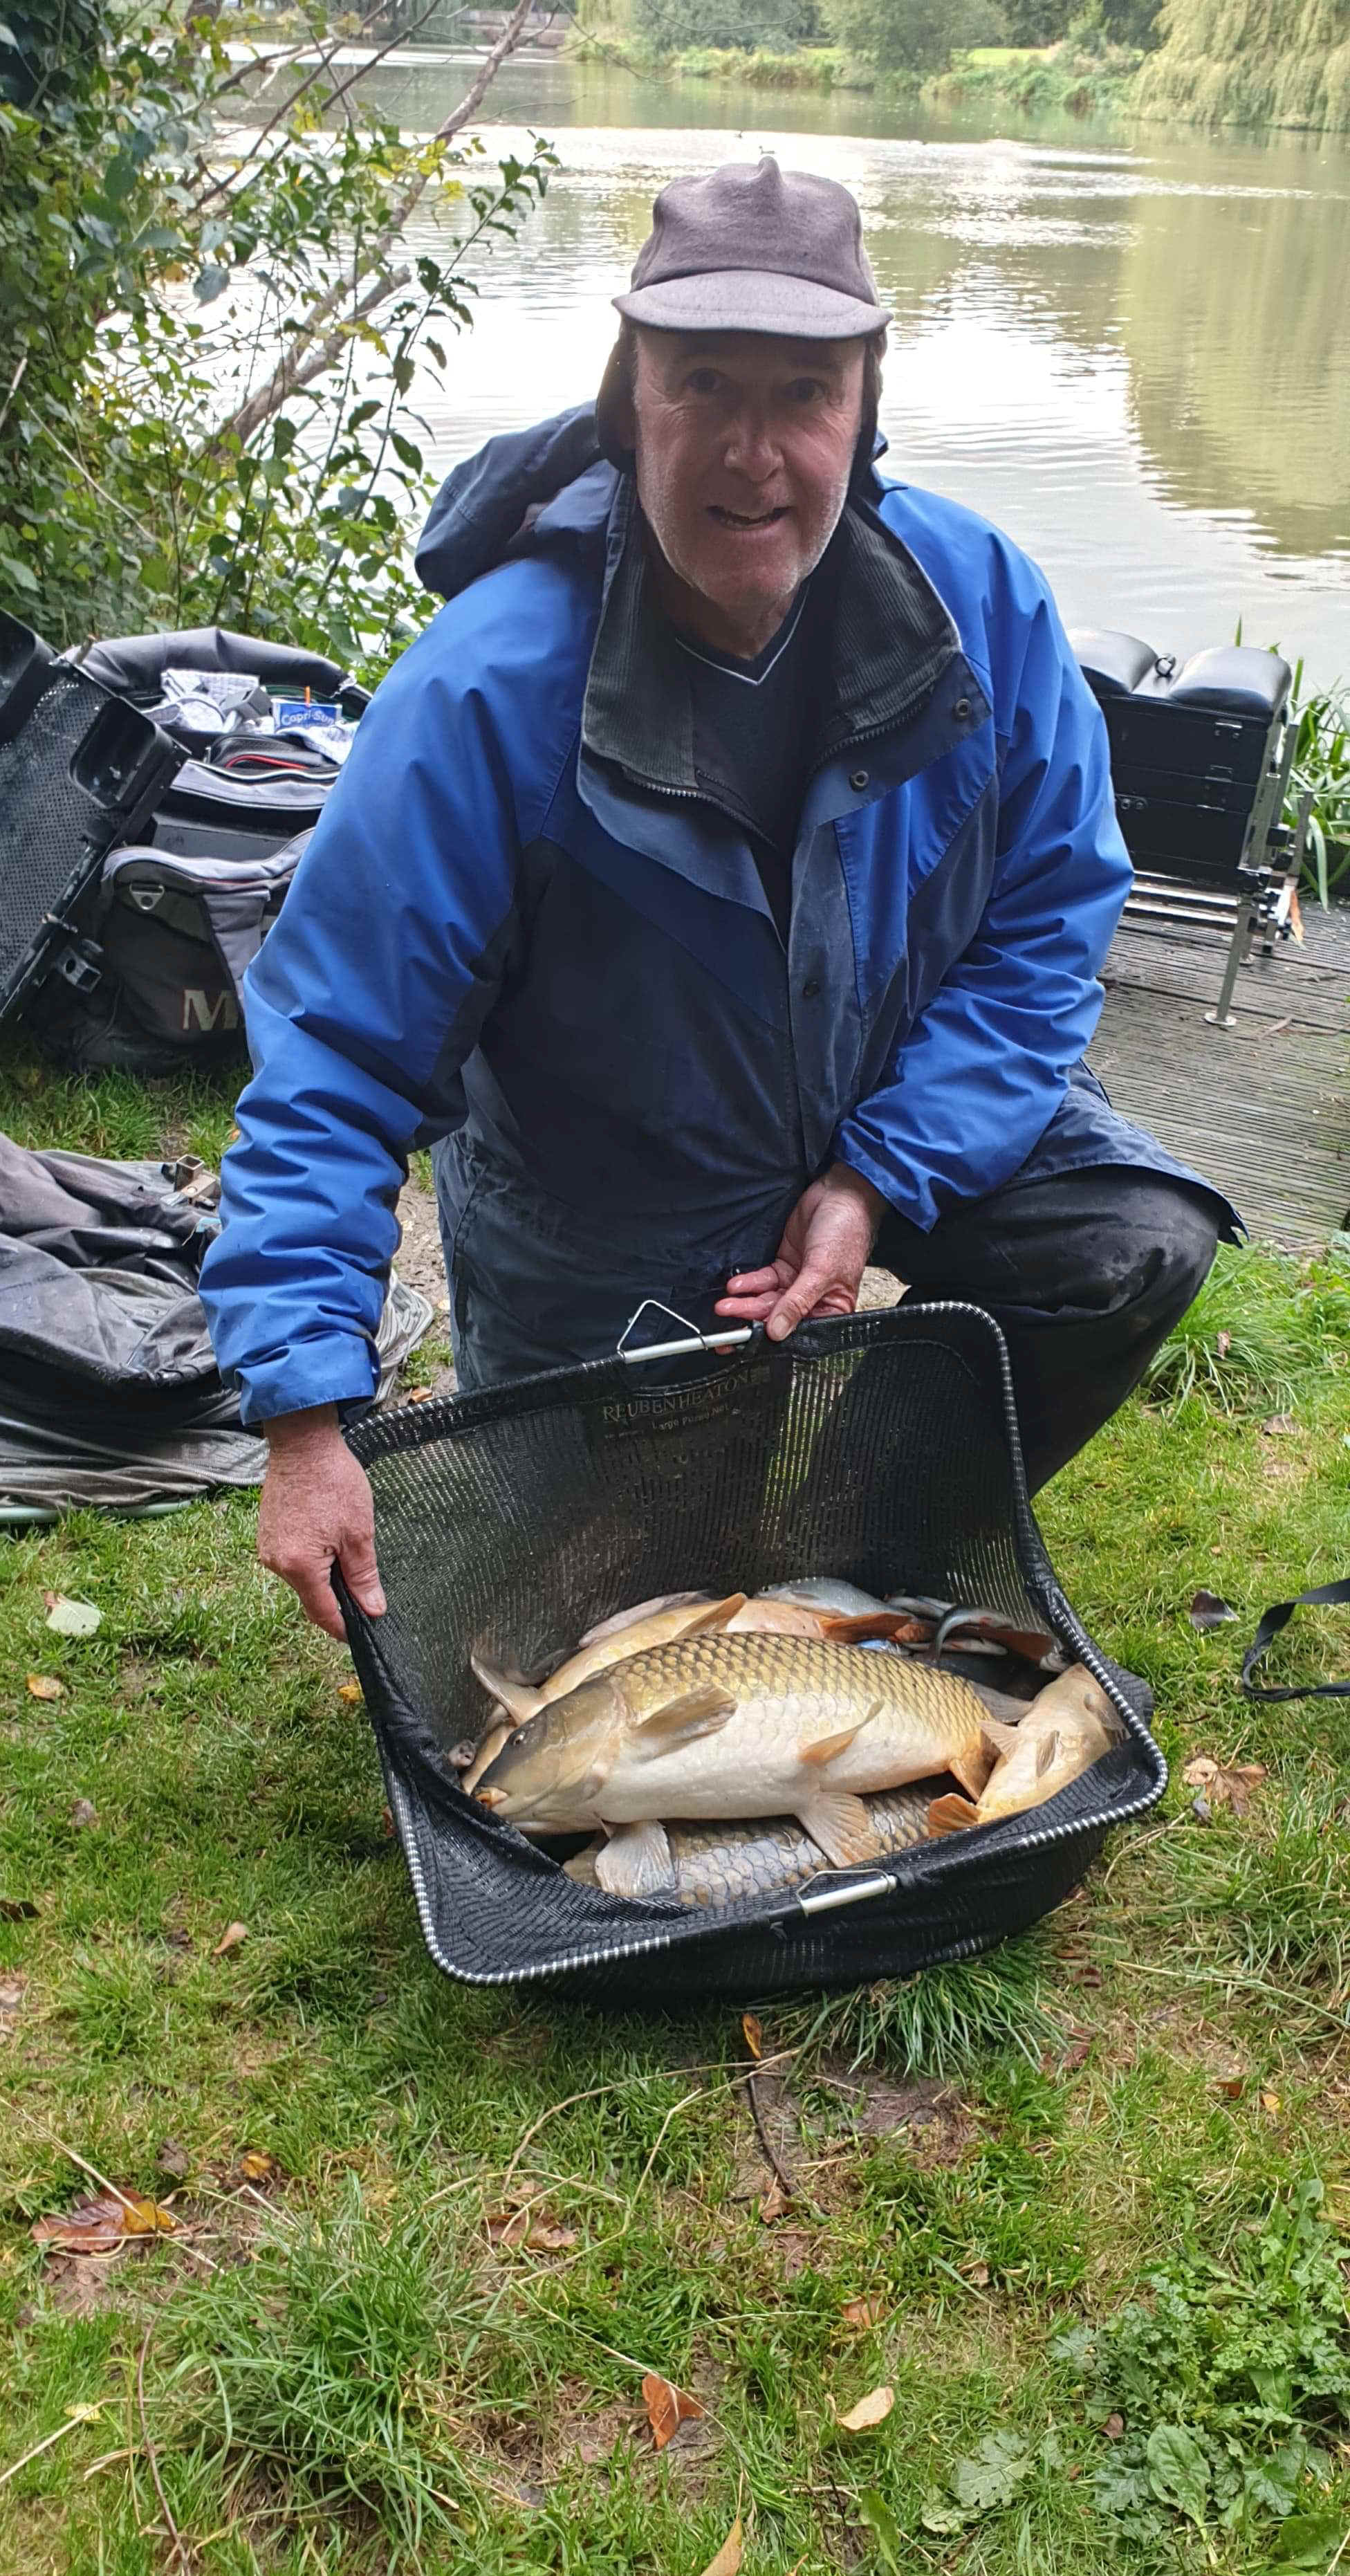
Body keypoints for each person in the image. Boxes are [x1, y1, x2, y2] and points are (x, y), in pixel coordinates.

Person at [199, 156, 1234, 1639]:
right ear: (631, 402)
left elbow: (1048, 923)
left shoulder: (981, 606)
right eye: (705, 386)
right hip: (612, 1207)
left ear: (865, 406)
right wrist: (305, 1416)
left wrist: (877, 1176)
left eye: (804, 393)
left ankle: (860, 1560)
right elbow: (336, 1056)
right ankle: (705, 1520)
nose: (753, 453)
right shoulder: (488, 689)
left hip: (888, 1097)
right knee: (618, 1608)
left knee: (1128, 1243)